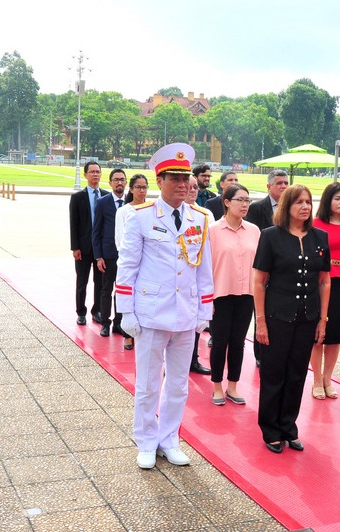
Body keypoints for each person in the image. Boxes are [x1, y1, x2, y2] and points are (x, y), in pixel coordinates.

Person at [116, 143, 214, 469]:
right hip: (151, 313)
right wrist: (126, 310)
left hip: (185, 314)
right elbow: (127, 265)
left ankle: (169, 439)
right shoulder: (140, 217)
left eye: (186, 178)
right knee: (147, 385)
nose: (183, 184)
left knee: (178, 385)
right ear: (160, 181)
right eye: (175, 178)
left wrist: (205, 311)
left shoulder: (199, 218)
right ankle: (145, 441)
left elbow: (204, 269)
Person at [253, 184, 331, 453]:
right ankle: (270, 429)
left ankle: (289, 426)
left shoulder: (320, 237)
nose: (305, 206)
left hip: (307, 317)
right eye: (299, 202)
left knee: (297, 374)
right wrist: (260, 320)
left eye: (308, 202)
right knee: (274, 373)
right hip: (277, 316)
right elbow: (259, 281)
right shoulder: (271, 236)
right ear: (287, 206)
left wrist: (323, 319)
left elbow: (324, 281)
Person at [208, 184, 260, 406]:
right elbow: (206, 267)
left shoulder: (254, 231)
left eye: (247, 200)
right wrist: (206, 298)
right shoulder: (212, 231)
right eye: (240, 200)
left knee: (238, 342)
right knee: (220, 342)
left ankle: (233, 385)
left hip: (246, 294)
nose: (245, 204)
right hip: (220, 294)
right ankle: (217, 386)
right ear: (227, 202)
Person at [310, 182, 340, 400]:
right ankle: (317, 379)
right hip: (318, 283)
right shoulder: (315, 224)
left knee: (335, 335)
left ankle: (328, 378)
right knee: (317, 334)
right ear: (328, 200)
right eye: (338, 198)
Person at [246, 169, 289, 365]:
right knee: (261, 313)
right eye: (279, 183)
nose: (283, 186)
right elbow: (252, 238)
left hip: (285, 268)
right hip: (263, 266)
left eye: (286, 183)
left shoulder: (292, 207)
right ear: (268, 186)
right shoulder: (256, 208)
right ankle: (260, 355)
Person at [114, 173, 149, 350]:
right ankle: (127, 335)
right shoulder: (124, 211)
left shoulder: (151, 209)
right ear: (132, 189)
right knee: (126, 295)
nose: (142, 191)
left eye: (144, 187)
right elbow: (120, 239)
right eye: (138, 187)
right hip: (130, 260)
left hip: (148, 263)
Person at [69, 161, 106, 326]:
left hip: (101, 249)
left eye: (97, 171)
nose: (95, 174)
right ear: (85, 175)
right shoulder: (78, 198)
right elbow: (73, 224)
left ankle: (96, 310)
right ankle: (81, 312)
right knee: (82, 282)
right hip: (83, 248)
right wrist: (75, 247)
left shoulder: (106, 196)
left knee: (100, 282)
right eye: (91, 172)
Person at [93, 168, 128, 337]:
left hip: (127, 256)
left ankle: (119, 323)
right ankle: (105, 323)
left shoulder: (132, 202)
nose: (119, 182)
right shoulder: (102, 202)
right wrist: (98, 256)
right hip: (108, 255)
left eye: (122, 179)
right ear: (110, 183)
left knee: (122, 291)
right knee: (106, 290)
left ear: (126, 182)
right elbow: (96, 231)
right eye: (116, 179)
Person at [185, 175, 215, 375]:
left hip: (197, 280)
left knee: (195, 325)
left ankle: (193, 359)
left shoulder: (205, 215)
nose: (193, 190)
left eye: (196, 187)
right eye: (190, 187)